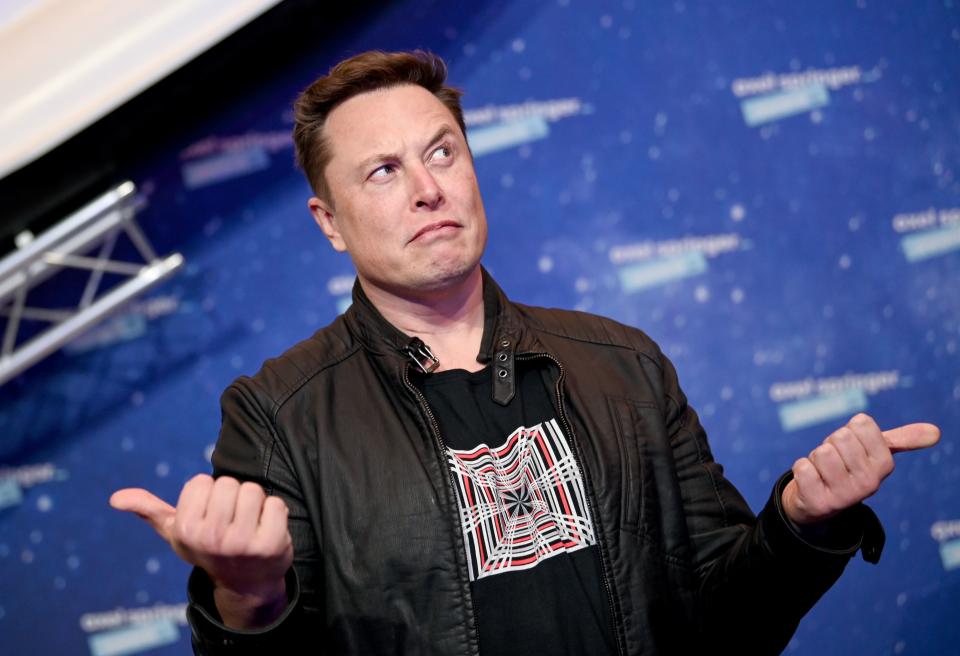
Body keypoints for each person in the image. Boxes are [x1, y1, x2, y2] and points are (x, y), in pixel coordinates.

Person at [110, 50, 940, 655]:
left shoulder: (624, 364)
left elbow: (726, 624)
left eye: (442, 152)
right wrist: (248, 597)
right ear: (328, 222)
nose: (428, 188)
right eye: (383, 172)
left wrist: (801, 525)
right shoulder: (279, 414)